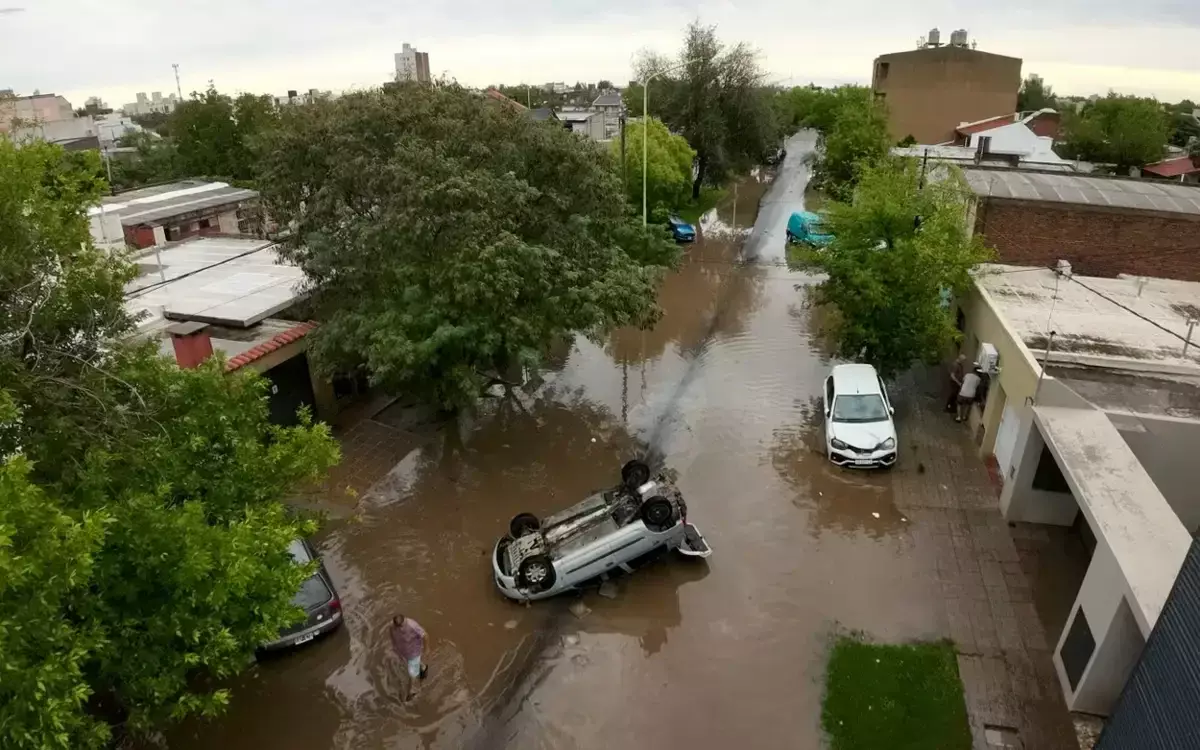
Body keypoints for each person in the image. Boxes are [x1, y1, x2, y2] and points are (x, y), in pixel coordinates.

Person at [389, 614, 428, 700]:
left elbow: (425, 635)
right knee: (413, 665)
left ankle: (410, 692)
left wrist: (426, 649)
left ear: (405, 621)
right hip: (403, 651)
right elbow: (391, 634)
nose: (400, 629)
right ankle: (423, 668)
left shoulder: (412, 625)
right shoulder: (392, 625)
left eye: (402, 627)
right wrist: (394, 646)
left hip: (414, 652)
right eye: (398, 627)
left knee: (412, 674)